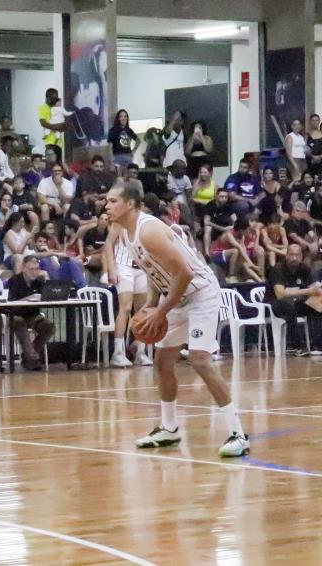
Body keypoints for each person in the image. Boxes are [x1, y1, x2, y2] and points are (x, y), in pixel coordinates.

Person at [104, 184, 249, 456]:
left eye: (113, 201)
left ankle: (238, 434)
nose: (107, 206)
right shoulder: (126, 234)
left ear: (131, 204)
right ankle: (169, 429)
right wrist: (150, 303)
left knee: (199, 359)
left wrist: (160, 312)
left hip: (200, 293)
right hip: (177, 297)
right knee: (162, 361)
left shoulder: (149, 231)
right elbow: (153, 271)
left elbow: (183, 274)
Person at [263, 243, 322, 355]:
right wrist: (307, 291)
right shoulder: (277, 269)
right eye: (291, 255)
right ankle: (297, 346)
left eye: (297, 255)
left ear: (301, 257)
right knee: (288, 307)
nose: (294, 258)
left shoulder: (305, 268)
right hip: (274, 304)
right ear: (286, 255)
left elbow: (316, 287)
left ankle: (321, 345)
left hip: (295, 302)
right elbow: (280, 294)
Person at [102, 218, 151, 368]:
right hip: (123, 266)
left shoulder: (145, 222)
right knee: (126, 307)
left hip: (141, 266)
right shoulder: (119, 221)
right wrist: (111, 269)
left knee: (142, 310)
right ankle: (117, 353)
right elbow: (108, 244)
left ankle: (140, 352)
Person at [7, 255, 56, 371]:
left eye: (36, 269)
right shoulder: (14, 281)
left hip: (34, 315)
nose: (34, 272)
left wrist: (47, 281)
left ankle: (28, 356)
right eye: (31, 269)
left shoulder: (38, 282)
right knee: (19, 324)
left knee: (49, 327)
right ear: (23, 268)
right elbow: (10, 303)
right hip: (17, 315)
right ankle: (32, 358)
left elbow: (48, 296)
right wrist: (29, 298)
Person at [306, 113, 322, 183]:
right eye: (313, 120)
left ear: (319, 121)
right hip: (311, 164)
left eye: (316, 120)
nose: (315, 122)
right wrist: (312, 157)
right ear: (310, 122)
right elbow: (305, 149)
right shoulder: (307, 134)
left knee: (321, 183)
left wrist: (319, 157)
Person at [38, 88, 65, 153]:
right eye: (53, 98)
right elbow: (43, 123)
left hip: (59, 142)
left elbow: (63, 124)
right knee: (51, 160)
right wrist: (56, 127)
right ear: (47, 97)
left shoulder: (58, 107)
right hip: (49, 142)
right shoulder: (43, 107)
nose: (55, 100)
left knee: (58, 161)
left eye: (56, 98)